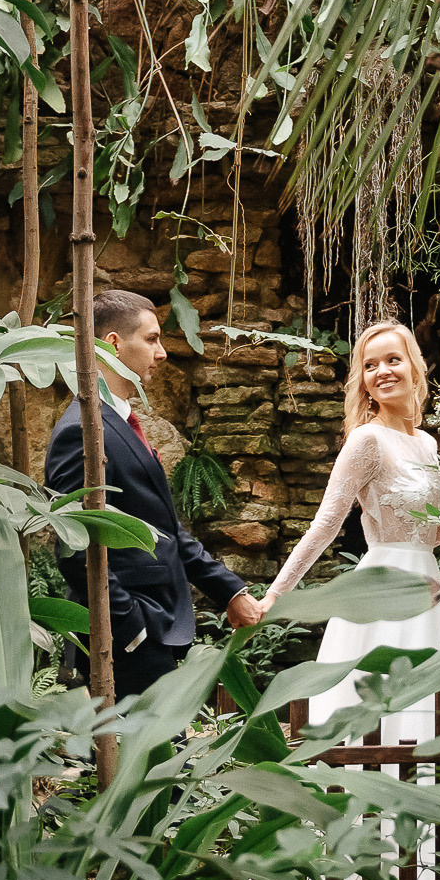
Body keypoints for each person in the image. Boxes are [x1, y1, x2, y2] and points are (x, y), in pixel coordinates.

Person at [260, 319, 440, 744]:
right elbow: (325, 525)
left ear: (415, 367)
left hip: (429, 589)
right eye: (371, 365)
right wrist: (275, 595)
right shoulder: (366, 441)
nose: (383, 372)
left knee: (431, 701)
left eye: (393, 360)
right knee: (381, 708)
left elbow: (425, 537)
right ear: (364, 382)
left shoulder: (428, 444)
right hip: (382, 590)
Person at [47, 289, 264, 700]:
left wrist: (230, 591)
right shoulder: (82, 430)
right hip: (126, 644)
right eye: (151, 339)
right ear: (112, 343)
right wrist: (132, 630)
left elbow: (162, 528)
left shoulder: (121, 421)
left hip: (153, 636)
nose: (162, 353)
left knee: (165, 763)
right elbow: (75, 547)